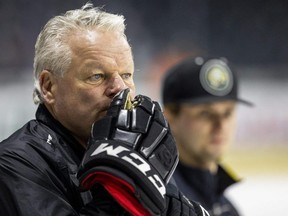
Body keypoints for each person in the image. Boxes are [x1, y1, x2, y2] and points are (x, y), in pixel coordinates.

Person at [0, 3, 210, 216]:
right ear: (49, 87)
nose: (119, 88)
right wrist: (125, 187)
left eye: (127, 75)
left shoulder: (136, 154)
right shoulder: (14, 165)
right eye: (96, 76)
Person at [161, 56, 253, 216]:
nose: (220, 125)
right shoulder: (159, 203)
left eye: (228, 113)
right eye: (205, 114)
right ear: (170, 117)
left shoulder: (227, 208)